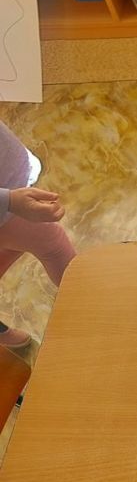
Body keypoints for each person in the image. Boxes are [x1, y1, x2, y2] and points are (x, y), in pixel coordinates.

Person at [0, 121, 76, 348]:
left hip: (11, 182)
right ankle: (87, 300)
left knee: (13, 248)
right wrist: (9, 202)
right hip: (7, 203)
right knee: (53, 246)